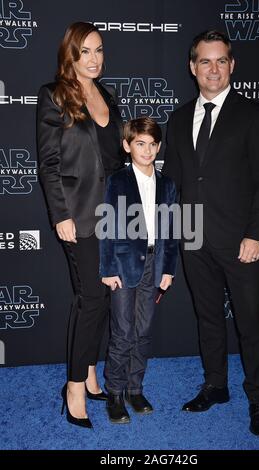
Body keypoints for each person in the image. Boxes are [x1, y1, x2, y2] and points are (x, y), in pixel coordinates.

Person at [162, 30, 259, 436]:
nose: (213, 69)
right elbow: (172, 182)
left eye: (221, 61)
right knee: (208, 317)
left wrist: (256, 235)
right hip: (193, 236)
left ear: (232, 66)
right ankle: (216, 386)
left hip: (240, 239)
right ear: (192, 67)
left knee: (250, 323)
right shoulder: (177, 118)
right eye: (205, 61)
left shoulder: (254, 115)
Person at [37, 22, 125, 428]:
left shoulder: (108, 95)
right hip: (79, 214)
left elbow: (115, 161)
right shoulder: (54, 96)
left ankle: (89, 372)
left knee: (104, 297)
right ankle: (73, 386)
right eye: (85, 51)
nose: (94, 59)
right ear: (70, 55)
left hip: (113, 213)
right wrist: (61, 216)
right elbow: (49, 163)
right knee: (90, 297)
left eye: (99, 50)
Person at [99, 117, 178, 423]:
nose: (147, 150)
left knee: (143, 332)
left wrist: (168, 269)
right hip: (122, 266)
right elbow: (107, 227)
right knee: (122, 332)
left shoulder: (167, 185)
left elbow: (171, 231)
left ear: (159, 147)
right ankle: (115, 393)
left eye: (152, 144)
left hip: (154, 266)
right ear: (127, 146)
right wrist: (107, 268)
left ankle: (135, 388)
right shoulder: (116, 181)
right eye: (140, 144)